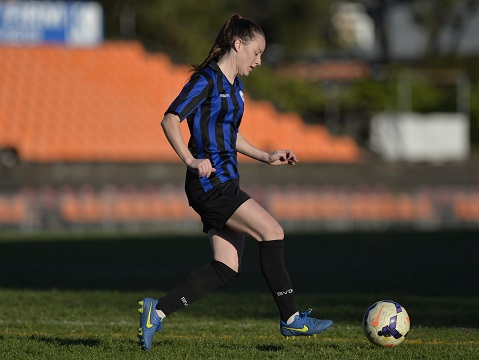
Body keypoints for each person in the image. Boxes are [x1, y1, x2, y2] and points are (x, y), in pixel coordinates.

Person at [137, 14, 332, 351]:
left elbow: (231, 135)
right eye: (256, 53)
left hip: (224, 182)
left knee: (226, 267)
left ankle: (158, 311)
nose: (258, 61)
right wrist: (190, 159)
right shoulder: (207, 80)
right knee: (272, 231)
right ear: (238, 44)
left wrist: (266, 155)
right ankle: (291, 319)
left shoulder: (236, 87)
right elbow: (170, 119)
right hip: (212, 185)